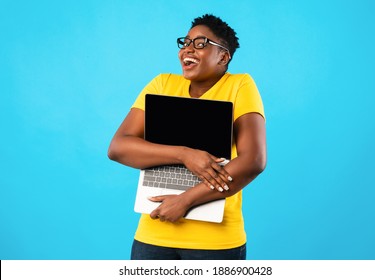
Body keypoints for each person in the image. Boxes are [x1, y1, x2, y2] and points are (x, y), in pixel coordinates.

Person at [108, 14, 266, 260]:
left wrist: (185, 201)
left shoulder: (240, 86)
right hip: (153, 233)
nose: (188, 50)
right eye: (186, 42)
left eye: (201, 43)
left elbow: (253, 161)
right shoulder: (162, 84)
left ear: (223, 56)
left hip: (215, 242)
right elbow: (118, 147)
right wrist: (184, 155)